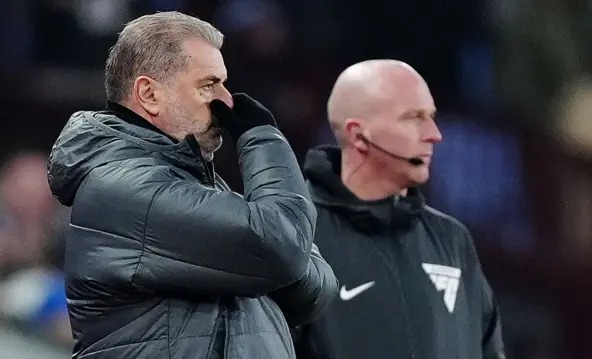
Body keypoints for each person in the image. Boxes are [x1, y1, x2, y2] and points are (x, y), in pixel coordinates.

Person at [47, 11, 338, 359]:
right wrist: (262, 136)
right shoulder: (122, 189)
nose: (226, 102)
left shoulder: (204, 190)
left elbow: (316, 291)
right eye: (207, 86)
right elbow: (284, 249)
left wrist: (276, 250)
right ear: (149, 94)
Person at [295, 60, 506, 359]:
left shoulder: (452, 240)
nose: (435, 134)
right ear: (358, 135)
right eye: (414, 118)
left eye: (432, 116)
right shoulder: (297, 234)